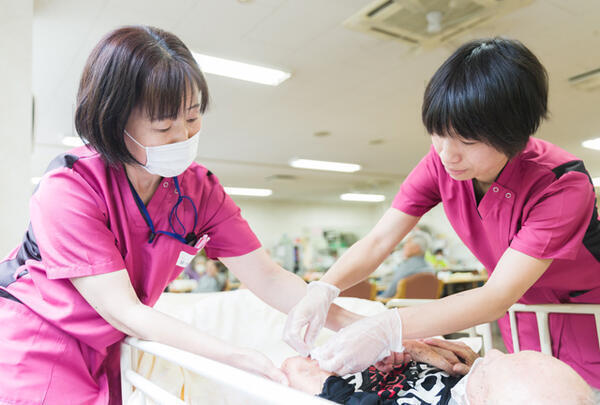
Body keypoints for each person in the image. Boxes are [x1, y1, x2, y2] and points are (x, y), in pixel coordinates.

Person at [0, 26, 362, 404]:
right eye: (164, 125)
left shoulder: (198, 190)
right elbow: (125, 309)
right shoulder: (71, 188)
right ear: (114, 120)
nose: (183, 136)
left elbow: (268, 277)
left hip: (110, 343)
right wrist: (232, 356)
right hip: (41, 340)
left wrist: (358, 325)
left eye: (192, 118)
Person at [283, 37, 600, 391]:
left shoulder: (561, 184)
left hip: (587, 320)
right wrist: (324, 288)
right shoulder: (440, 164)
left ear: (515, 136)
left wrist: (390, 327)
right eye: (438, 134)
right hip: (521, 317)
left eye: (467, 141)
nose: (448, 155)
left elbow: (496, 295)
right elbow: (379, 240)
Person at [282, 339, 596, 405]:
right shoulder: (467, 370)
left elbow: (295, 370)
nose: (493, 353)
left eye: (487, 370)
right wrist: (402, 348)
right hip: (356, 355)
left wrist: (322, 382)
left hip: (317, 373)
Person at [381, 230, 434, 298]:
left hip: (399, 306)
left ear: (416, 248)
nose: (404, 246)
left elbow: (389, 294)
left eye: (407, 243)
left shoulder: (406, 266)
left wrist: (379, 298)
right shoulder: (430, 268)